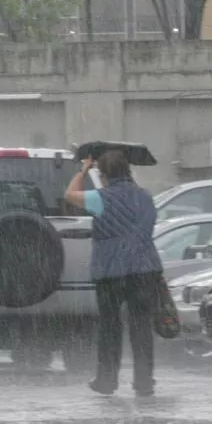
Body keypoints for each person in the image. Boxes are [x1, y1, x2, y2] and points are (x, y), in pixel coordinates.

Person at [65, 150, 163, 396]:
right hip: (145, 268)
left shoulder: (100, 198)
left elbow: (69, 195)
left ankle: (107, 380)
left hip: (110, 271)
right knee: (141, 327)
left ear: (104, 174)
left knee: (110, 327)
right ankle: (144, 382)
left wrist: (83, 170)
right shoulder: (145, 197)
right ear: (128, 171)